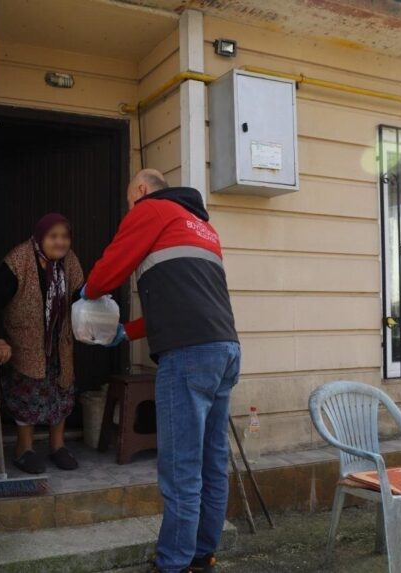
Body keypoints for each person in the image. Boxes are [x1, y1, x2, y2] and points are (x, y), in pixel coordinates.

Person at [82, 169, 239, 573]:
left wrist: (88, 294)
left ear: (139, 190)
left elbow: (107, 272)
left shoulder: (150, 210)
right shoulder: (203, 227)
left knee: (181, 467)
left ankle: (171, 565)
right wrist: (127, 332)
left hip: (188, 355)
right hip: (224, 349)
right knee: (212, 462)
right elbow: (184, 303)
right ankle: (202, 555)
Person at [0, 213, 84, 474]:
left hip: (59, 342)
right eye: (53, 236)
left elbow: (80, 294)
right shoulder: (18, 260)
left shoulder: (70, 261)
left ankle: (58, 447)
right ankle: (24, 449)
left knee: (62, 392)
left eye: (65, 237)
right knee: (27, 396)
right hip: (25, 342)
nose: (60, 243)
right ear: (40, 237)